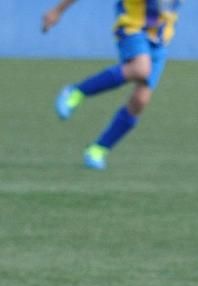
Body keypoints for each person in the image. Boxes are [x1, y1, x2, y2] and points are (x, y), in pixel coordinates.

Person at [42, 0, 181, 170]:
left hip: (159, 41)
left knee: (140, 101)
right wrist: (57, 10)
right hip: (132, 28)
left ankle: (98, 149)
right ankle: (76, 92)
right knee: (140, 68)